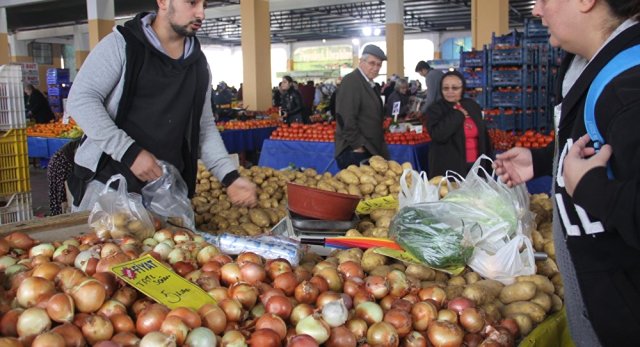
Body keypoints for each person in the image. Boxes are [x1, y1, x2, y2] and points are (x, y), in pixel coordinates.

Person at [493, 1, 640, 346]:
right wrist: (547, 161)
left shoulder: (629, 87)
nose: (536, 11)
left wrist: (593, 189)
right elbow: (606, 148)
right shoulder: (590, 68)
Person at [66, 0, 257, 211]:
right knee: (102, 245)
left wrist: (229, 177)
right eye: (192, 2)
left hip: (165, 191)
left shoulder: (198, 66)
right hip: (107, 185)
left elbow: (204, 127)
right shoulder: (122, 45)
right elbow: (81, 99)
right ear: (163, 2)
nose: (201, 13)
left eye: (204, 4)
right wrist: (129, 153)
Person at [425, 70, 492, 178]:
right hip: (449, 168)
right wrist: (458, 115)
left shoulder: (472, 106)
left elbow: (483, 136)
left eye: (455, 88)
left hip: (476, 166)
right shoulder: (435, 109)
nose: (450, 91)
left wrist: (487, 163)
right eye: (445, 88)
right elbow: (438, 134)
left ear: (462, 89)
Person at [334, 44, 389, 169]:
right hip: (355, 151)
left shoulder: (369, 83)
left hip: (370, 148)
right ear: (361, 62)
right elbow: (345, 117)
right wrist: (357, 146)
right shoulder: (351, 81)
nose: (375, 68)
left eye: (379, 64)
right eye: (372, 63)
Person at [47, 139, 81, 215]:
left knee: (65, 198)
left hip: (64, 162)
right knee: (61, 199)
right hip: (61, 164)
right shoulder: (92, 141)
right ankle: (59, 220)